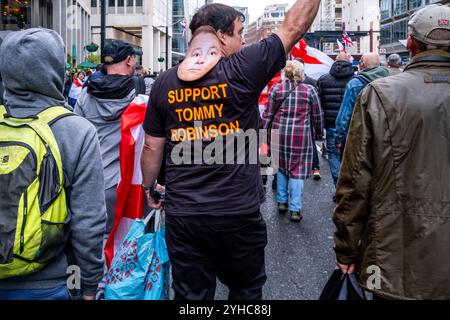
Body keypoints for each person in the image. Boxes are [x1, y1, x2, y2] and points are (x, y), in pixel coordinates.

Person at [140, 1, 321, 300]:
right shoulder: (244, 67)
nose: (243, 41)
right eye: (239, 33)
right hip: (237, 213)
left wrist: (150, 186)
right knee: (245, 291)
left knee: (191, 297)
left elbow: (151, 146)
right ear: (221, 36)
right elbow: (294, 26)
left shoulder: (164, 82)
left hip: (185, 214)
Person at [333, 4, 450, 300]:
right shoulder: (379, 93)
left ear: (410, 43)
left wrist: (346, 248)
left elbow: (355, 183)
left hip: (395, 255)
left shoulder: (380, 95)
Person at [0, 28, 106, 300]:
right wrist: (91, 285)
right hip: (50, 282)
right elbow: (89, 221)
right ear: (55, 70)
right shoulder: (76, 130)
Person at [74, 40, 154, 237]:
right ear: (129, 60)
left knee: (101, 243)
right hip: (134, 184)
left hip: (97, 183)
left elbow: (77, 135)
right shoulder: (146, 88)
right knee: (135, 243)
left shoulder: (86, 93)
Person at [262, 60, 323, 222]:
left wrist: (263, 133)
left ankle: (281, 201)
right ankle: (295, 209)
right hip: (300, 136)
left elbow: (268, 114)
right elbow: (317, 115)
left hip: (278, 134)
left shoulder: (277, 89)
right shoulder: (309, 90)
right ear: (300, 73)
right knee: (297, 170)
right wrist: (318, 133)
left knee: (280, 167)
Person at [334, 52, 389, 152]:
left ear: (363, 63)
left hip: (360, 136)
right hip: (385, 135)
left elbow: (345, 114)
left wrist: (339, 137)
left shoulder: (355, 83)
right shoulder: (390, 80)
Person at [317, 53, 354, 189]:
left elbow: (318, 103)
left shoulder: (323, 79)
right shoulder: (355, 80)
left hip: (331, 123)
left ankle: (338, 182)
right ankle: (347, 185)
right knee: (348, 154)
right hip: (351, 123)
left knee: (332, 153)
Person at [295, 57, 321, 179]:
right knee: (311, 142)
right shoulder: (311, 82)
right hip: (307, 118)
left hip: (287, 121)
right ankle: (315, 168)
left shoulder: (282, 85)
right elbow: (317, 105)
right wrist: (319, 129)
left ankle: (284, 174)